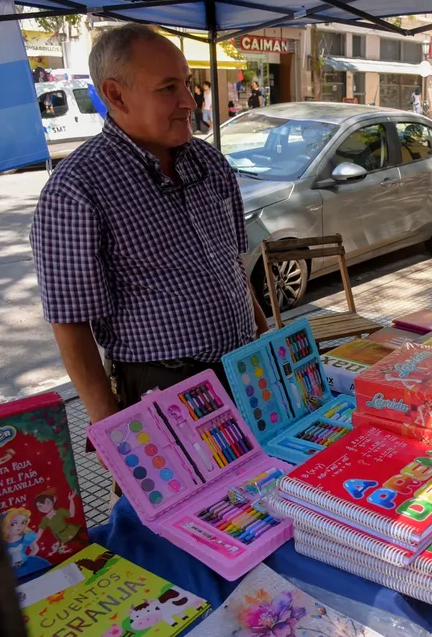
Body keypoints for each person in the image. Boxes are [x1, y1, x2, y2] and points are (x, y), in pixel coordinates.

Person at [30, 24, 269, 446]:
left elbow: (233, 262)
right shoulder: (78, 189)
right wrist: (107, 423)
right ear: (115, 95)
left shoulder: (208, 163)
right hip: (162, 391)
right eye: (167, 88)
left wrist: (265, 338)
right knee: (191, 508)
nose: (189, 101)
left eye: (187, 83)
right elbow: (71, 323)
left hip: (244, 370)